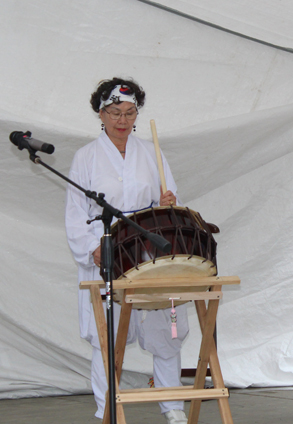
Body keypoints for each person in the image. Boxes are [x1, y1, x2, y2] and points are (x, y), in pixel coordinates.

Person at [65, 78, 189, 424]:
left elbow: (171, 203)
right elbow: (76, 214)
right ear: (100, 113)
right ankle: (108, 408)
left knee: (165, 331)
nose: (122, 120)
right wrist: (92, 248)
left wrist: (168, 204)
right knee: (106, 338)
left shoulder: (151, 152)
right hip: (107, 248)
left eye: (130, 112)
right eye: (114, 112)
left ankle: (173, 405)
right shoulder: (86, 157)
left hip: (148, 251)